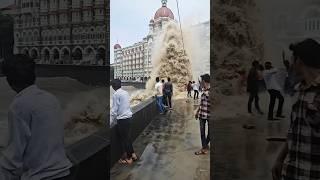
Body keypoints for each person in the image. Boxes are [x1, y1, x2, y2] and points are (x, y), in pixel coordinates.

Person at [0, 54, 72, 180]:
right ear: (34, 76)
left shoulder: (19, 106)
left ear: (9, 81)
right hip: (64, 172)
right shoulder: (51, 99)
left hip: (41, 176)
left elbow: (14, 156)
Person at [272, 38, 320, 180]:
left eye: (292, 60)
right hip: (293, 172)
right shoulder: (302, 89)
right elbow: (295, 129)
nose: (291, 65)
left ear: (299, 61)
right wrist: (280, 158)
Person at [111, 79, 138, 165]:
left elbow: (114, 110)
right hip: (129, 117)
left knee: (125, 139)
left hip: (122, 120)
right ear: (120, 85)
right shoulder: (125, 93)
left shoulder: (116, 95)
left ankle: (129, 159)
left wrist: (110, 122)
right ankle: (133, 154)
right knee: (128, 138)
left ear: (113, 86)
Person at [195, 74, 211, 155]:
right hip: (201, 115)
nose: (200, 82)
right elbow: (201, 103)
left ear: (204, 81)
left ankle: (205, 145)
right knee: (202, 133)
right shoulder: (203, 90)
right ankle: (204, 148)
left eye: (201, 81)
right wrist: (197, 112)